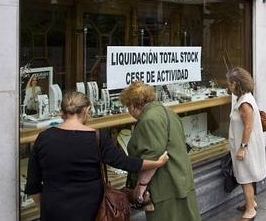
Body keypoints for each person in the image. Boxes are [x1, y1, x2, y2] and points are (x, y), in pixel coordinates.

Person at [25, 91, 169, 221]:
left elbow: (32, 185)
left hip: (54, 208)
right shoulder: (96, 137)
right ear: (86, 110)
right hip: (91, 208)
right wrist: (157, 163)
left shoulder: (43, 138)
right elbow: (123, 162)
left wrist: (45, 209)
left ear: (61, 111)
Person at [121, 82, 201, 221]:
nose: (129, 111)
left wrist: (141, 187)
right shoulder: (167, 112)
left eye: (127, 106)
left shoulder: (149, 119)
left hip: (165, 186)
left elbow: (152, 158)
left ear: (134, 104)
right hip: (180, 178)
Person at [226, 67, 266, 220]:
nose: (228, 86)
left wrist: (243, 148)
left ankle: (250, 209)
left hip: (246, 145)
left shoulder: (244, 103)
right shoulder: (245, 97)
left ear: (236, 84)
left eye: (230, 83)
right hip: (246, 143)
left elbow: (248, 126)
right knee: (247, 174)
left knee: (245, 177)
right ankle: (251, 202)